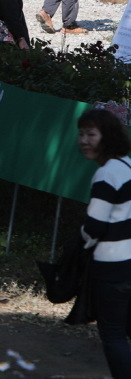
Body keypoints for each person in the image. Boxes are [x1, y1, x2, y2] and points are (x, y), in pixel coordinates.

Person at [78, 108, 131, 379]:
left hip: (113, 270)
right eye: (81, 134)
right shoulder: (127, 165)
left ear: (107, 137)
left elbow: (94, 228)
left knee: (113, 336)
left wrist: (82, 240)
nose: (84, 140)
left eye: (91, 134)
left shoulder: (105, 174)